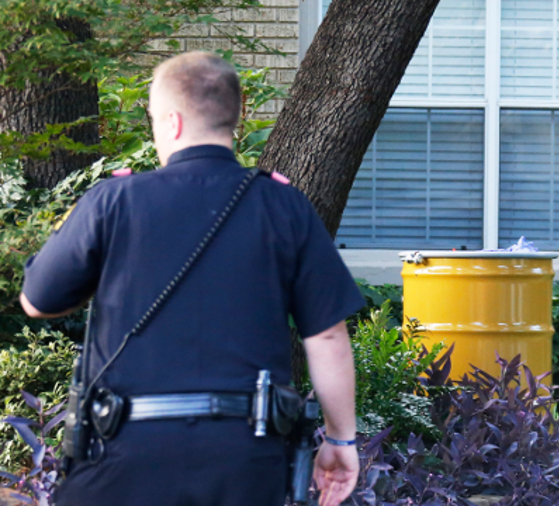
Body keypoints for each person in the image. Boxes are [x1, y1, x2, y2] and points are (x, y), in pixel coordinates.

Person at [19, 51, 362, 506]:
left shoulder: (113, 200)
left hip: (124, 456)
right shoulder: (285, 206)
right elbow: (328, 336)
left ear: (173, 122)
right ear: (233, 118)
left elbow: (38, 300)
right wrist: (340, 439)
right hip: (245, 460)